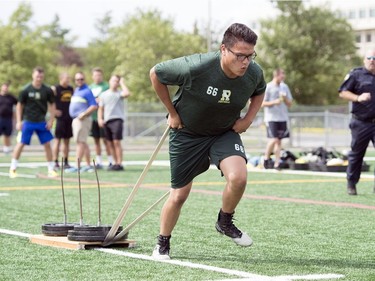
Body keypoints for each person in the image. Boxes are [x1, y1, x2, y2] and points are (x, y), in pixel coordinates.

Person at [149, 23, 266, 260]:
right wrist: (172, 112)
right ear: (224, 49)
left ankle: (225, 221)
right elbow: (156, 74)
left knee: (239, 177)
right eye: (240, 55)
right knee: (179, 195)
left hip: (223, 132)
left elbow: (260, 90)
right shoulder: (197, 66)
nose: (245, 61)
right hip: (188, 134)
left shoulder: (253, 72)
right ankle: (163, 243)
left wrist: (248, 119)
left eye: (250, 56)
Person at [9, 67, 57, 178]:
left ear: (43, 76)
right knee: (21, 143)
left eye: (41, 76)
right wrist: (19, 121)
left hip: (42, 122)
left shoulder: (47, 90)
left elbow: (52, 105)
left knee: (47, 145)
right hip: (28, 121)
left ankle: (51, 169)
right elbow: (19, 106)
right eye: (37, 76)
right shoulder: (25, 89)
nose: (39, 78)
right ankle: (13, 168)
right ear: (33, 76)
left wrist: (51, 120)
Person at [339, 49, 375, 195]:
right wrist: (357, 98)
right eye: (369, 57)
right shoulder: (356, 74)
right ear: (364, 60)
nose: (372, 60)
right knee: (356, 155)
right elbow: (343, 92)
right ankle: (351, 183)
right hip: (361, 123)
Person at [262, 69, 293, 170]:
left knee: (279, 141)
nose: (283, 77)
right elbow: (262, 103)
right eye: (281, 75)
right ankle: (266, 159)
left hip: (282, 118)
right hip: (271, 118)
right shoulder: (268, 87)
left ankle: (276, 163)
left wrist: (285, 98)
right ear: (276, 75)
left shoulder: (284, 87)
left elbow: (289, 104)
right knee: (274, 139)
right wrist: (274, 102)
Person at [98, 75, 130, 171]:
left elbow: (127, 93)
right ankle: (115, 162)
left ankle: (119, 163)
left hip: (117, 119)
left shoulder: (119, 93)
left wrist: (122, 83)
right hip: (107, 121)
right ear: (109, 81)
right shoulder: (103, 94)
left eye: (117, 81)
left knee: (116, 141)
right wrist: (100, 119)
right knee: (110, 142)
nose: (115, 83)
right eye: (113, 81)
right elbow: (101, 108)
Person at [67, 72, 98, 172]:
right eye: (77, 79)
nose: (79, 81)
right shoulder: (76, 90)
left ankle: (77, 166)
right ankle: (88, 165)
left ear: (84, 80)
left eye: (81, 79)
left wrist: (84, 114)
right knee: (82, 142)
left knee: (80, 142)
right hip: (76, 120)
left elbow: (94, 105)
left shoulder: (87, 91)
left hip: (82, 120)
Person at [89, 67, 113, 169]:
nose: (97, 77)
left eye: (99, 75)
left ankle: (111, 161)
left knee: (106, 140)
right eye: (95, 75)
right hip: (93, 117)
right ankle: (98, 162)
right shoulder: (90, 87)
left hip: (104, 118)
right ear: (92, 76)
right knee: (96, 141)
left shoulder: (106, 86)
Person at [51, 73, 74, 169]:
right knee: (57, 140)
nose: (68, 80)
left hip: (69, 118)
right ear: (61, 78)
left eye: (69, 78)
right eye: (66, 78)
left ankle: (66, 161)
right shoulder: (55, 89)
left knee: (67, 141)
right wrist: (54, 111)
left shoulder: (71, 89)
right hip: (59, 119)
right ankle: (55, 161)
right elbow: (50, 102)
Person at [0, 82, 17, 155]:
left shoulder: (11, 97)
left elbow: (18, 104)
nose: (5, 88)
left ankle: (6, 149)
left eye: (7, 87)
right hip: (0, 118)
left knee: (7, 134)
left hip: (8, 118)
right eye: (4, 87)